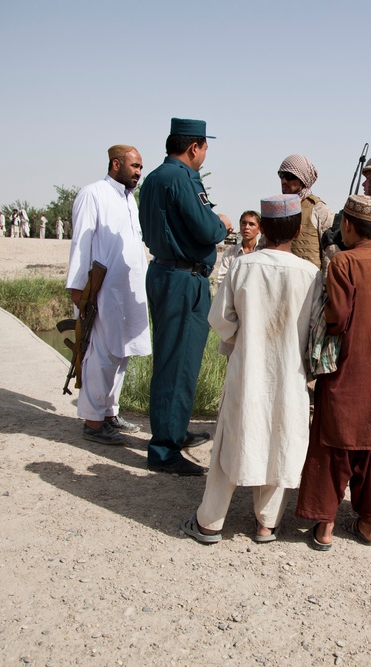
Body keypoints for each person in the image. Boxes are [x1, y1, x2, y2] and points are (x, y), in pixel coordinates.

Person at [182, 194, 324, 544]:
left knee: (232, 439)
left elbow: (220, 319)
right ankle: (267, 523)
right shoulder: (311, 274)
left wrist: (242, 341)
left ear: (265, 228)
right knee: (282, 437)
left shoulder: (245, 266)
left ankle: (210, 522)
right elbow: (317, 333)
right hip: (290, 374)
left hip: (247, 369)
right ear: (297, 228)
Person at [295, 194, 371, 550]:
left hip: (347, 365)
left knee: (332, 441)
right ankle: (370, 526)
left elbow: (337, 317)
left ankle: (325, 529)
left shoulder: (342, 261)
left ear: (348, 225)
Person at [138, 117, 232, 476]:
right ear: (194, 147)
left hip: (165, 271)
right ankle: (164, 449)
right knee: (178, 363)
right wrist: (222, 222)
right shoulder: (182, 177)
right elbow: (206, 228)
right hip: (183, 278)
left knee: (173, 359)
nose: (205, 153)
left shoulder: (154, 178)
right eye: (205, 147)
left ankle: (172, 432)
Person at [65, 144, 152, 445]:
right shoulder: (93, 193)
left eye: (141, 167)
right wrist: (79, 290)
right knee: (100, 354)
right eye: (135, 166)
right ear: (116, 164)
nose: (139, 172)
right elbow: (82, 242)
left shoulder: (130, 200)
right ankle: (92, 421)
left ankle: (109, 413)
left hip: (127, 291)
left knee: (121, 352)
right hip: (101, 290)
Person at [277, 155, 334, 270]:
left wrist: (326, 285)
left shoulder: (319, 209)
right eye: (281, 176)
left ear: (302, 179)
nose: (284, 181)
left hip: (309, 284)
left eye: (289, 176)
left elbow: (329, 254)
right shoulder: (277, 208)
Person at [213, 210, 260, 288]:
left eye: (251, 224)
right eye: (243, 223)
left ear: (259, 229)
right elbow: (221, 281)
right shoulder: (230, 253)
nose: (246, 227)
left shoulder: (262, 251)